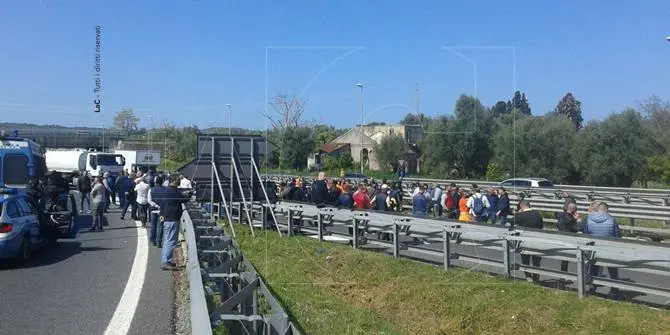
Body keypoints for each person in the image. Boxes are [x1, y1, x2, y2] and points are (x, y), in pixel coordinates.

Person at [584, 202, 621, 298]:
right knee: (612, 270)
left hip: (594, 248)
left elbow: (586, 234)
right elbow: (618, 236)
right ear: (606, 209)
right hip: (609, 248)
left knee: (594, 267)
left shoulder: (589, 219)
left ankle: (592, 287)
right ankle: (614, 290)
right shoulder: (612, 220)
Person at [156, 176, 188, 271]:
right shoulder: (173, 191)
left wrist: (162, 213)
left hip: (168, 218)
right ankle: (166, 261)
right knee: (171, 241)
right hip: (172, 219)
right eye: (177, 180)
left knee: (167, 240)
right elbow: (182, 199)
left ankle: (166, 260)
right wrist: (188, 195)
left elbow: (162, 203)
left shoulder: (166, 190)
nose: (178, 181)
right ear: (171, 181)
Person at [512, 200, 543, 282]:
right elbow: (541, 226)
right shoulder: (537, 214)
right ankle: (536, 276)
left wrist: (517, 213)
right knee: (536, 260)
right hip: (537, 240)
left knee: (525, 260)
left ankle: (528, 276)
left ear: (522, 207)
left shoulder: (519, 215)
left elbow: (509, 223)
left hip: (525, 240)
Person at [148, 175, 165, 247]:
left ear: (155, 182)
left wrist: (155, 205)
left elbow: (149, 200)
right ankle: (159, 242)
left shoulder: (151, 190)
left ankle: (153, 240)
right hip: (162, 210)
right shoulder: (165, 189)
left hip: (153, 210)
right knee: (160, 226)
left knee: (153, 225)